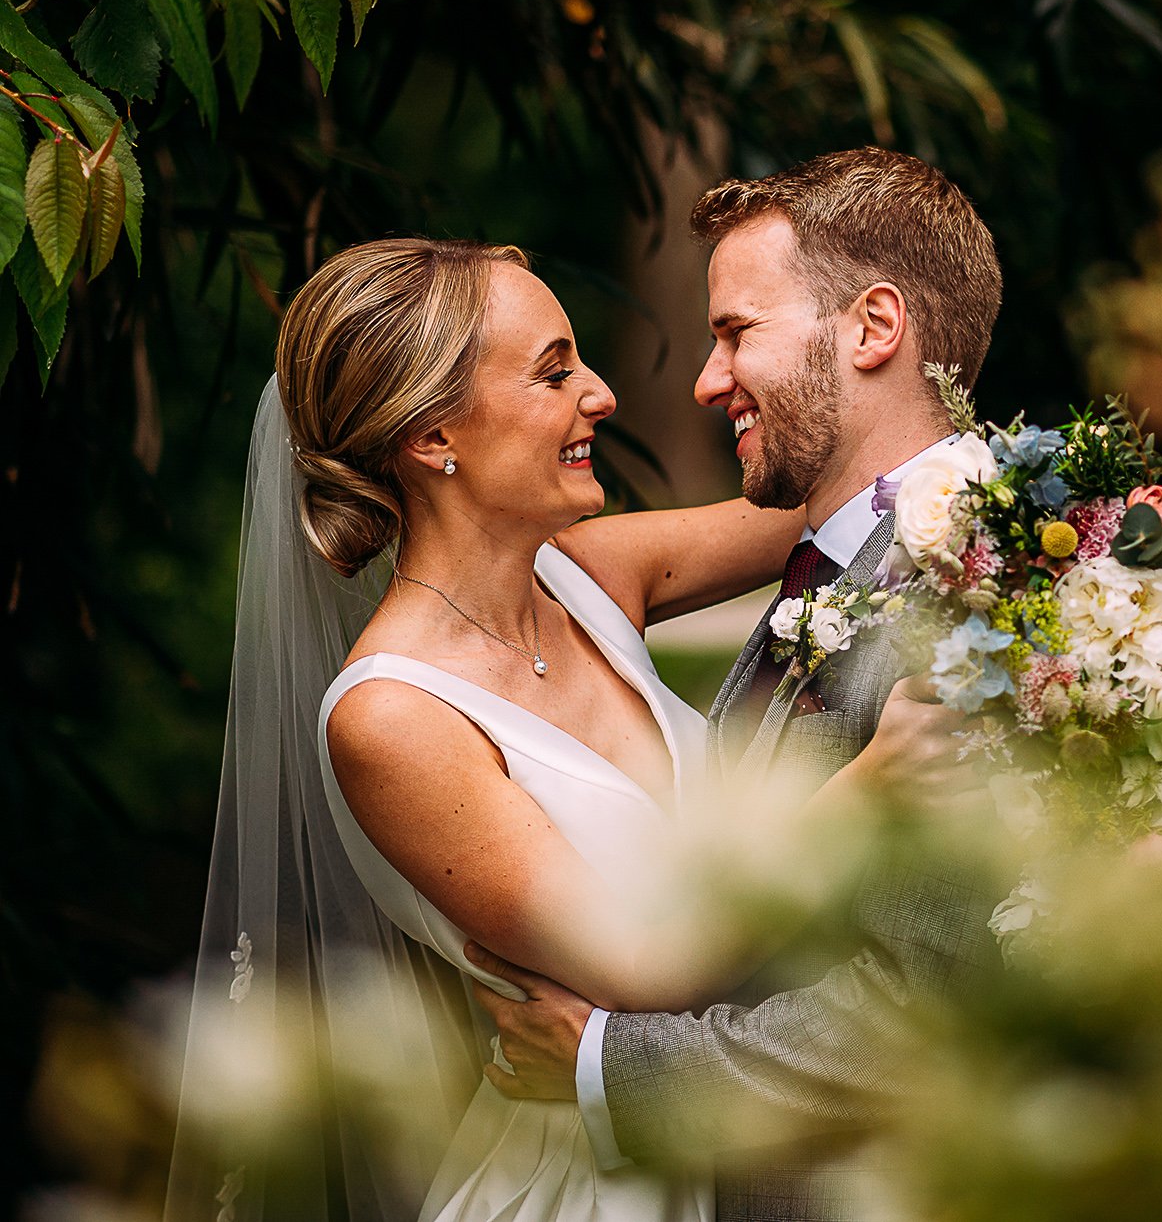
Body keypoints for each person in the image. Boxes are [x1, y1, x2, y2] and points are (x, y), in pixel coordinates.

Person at [164, 234, 964, 1222]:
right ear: (432, 437)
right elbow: (640, 959)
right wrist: (867, 790)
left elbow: (866, 488)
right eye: (554, 372)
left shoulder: (591, 573)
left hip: (737, 1133)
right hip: (594, 1179)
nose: (601, 394)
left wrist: (1070, 526)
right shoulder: (391, 716)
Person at [466, 147, 1006, 1221]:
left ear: (872, 328)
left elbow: (929, 1008)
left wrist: (609, 1064)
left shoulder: (972, 599)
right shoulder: (859, 553)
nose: (708, 381)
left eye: (735, 332)